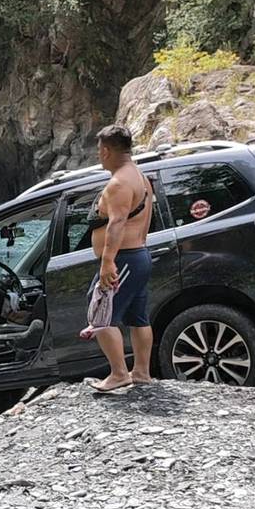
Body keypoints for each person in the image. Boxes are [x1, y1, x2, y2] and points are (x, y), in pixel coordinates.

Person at [86, 125, 154, 393]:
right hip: (138, 255)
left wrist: (107, 262)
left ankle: (118, 373)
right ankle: (141, 372)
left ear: (106, 150)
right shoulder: (140, 177)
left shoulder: (119, 183)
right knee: (138, 316)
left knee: (100, 314)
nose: (99, 155)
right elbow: (145, 219)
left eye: (99, 150)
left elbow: (116, 224)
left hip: (123, 258)